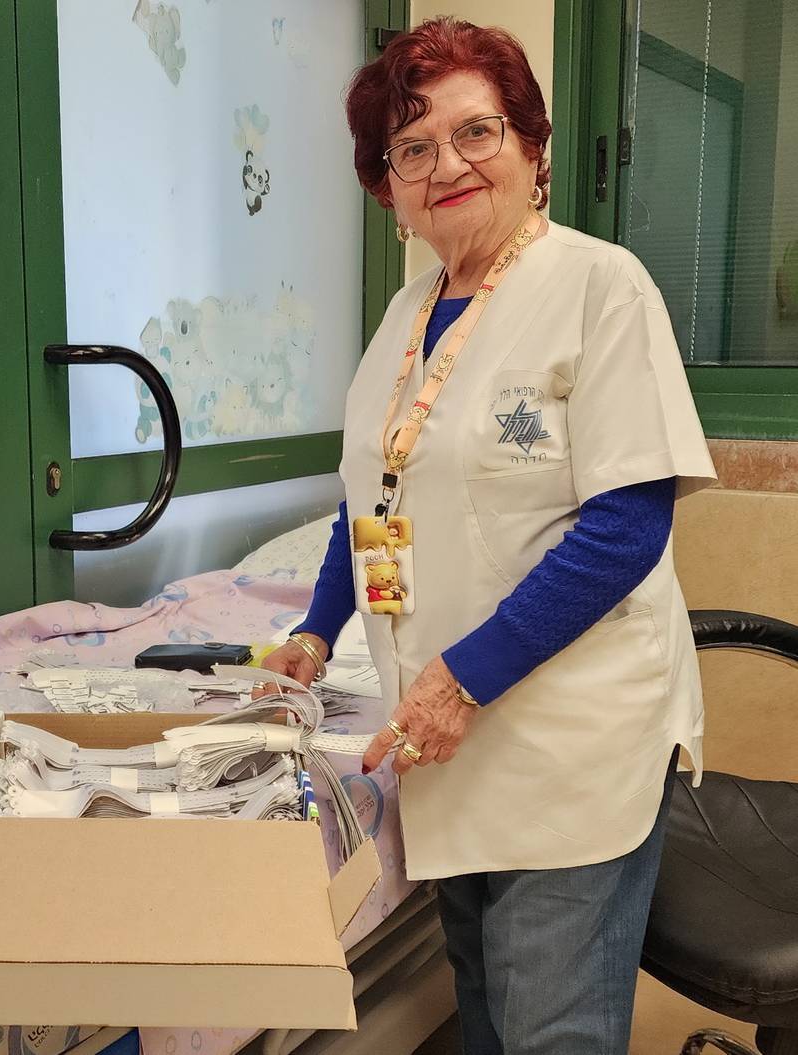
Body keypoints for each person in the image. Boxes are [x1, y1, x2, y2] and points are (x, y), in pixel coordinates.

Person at [259, 18, 716, 1055]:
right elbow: (373, 495)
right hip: (446, 738)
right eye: (412, 148)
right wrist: (317, 629)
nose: (448, 166)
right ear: (387, 187)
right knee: (487, 1015)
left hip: (567, 741)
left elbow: (626, 527)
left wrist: (460, 681)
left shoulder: (600, 286)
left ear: (532, 147)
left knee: (549, 1029)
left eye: (476, 132)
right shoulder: (404, 316)